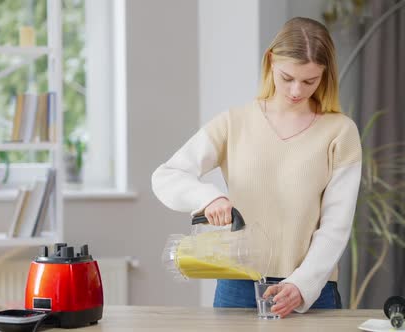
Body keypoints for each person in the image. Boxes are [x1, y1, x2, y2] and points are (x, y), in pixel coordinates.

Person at [152, 17, 362, 318]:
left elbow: (336, 226)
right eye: (287, 77)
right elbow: (166, 176)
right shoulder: (234, 123)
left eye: (309, 81)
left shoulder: (340, 132)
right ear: (271, 61)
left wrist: (301, 285)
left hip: (311, 290)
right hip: (238, 286)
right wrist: (208, 198)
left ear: (325, 76)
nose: (295, 91)